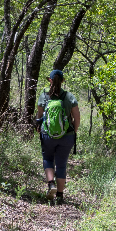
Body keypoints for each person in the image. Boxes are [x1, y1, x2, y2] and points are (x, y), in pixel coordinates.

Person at [35, 68, 80, 204]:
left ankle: (51, 184)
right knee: (61, 164)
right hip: (67, 136)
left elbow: (39, 115)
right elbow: (77, 117)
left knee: (48, 159)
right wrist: (73, 131)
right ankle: (60, 196)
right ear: (63, 81)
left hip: (47, 135)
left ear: (50, 80)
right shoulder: (69, 96)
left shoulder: (44, 95)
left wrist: (39, 127)